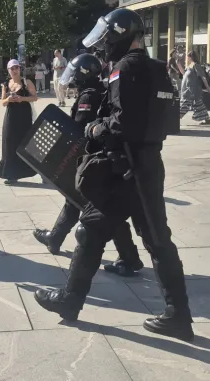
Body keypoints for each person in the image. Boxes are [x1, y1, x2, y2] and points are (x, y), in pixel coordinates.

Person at [33, 8, 193, 341]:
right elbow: (168, 120)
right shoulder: (158, 68)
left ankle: (70, 300)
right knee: (156, 240)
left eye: (106, 40)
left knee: (93, 230)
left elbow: (122, 123)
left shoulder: (124, 69)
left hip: (123, 167)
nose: (104, 46)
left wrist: (96, 127)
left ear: (119, 36)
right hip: (149, 165)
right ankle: (178, 314)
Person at [31, 53, 145, 275]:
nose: (72, 78)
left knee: (104, 210)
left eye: (75, 74)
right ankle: (55, 238)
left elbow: (79, 129)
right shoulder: (101, 90)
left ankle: (130, 258)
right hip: (103, 159)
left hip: (94, 160)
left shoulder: (88, 96)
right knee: (77, 201)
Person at [0, 59, 38, 184]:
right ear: (8, 70)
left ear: (20, 69)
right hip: (11, 116)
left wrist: (22, 98)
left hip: (24, 117)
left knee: (26, 143)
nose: (15, 70)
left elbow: (35, 97)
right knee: (9, 142)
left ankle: (36, 170)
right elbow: (2, 102)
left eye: (16, 68)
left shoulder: (26, 82)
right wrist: (8, 99)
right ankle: (11, 174)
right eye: (12, 68)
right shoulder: (5, 84)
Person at [179, 52, 210, 126]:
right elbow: (184, 74)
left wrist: (208, 88)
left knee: (185, 104)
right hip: (188, 89)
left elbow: (203, 77)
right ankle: (207, 119)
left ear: (190, 57)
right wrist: (178, 64)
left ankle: (175, 118)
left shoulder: (196, 65)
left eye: (187, 57)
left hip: (193, 90)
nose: (186, 58)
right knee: (198, 105)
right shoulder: (189, 66)